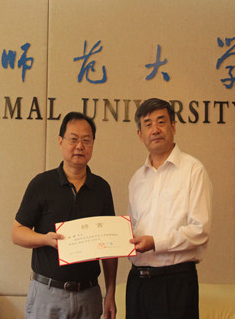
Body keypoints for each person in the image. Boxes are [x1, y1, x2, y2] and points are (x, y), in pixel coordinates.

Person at [12, 111, 118, 319]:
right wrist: (45, 239)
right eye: (73, 139)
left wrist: (110, 292)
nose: (80, 146)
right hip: (47, 293)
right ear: (61, 141)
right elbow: (17, 233)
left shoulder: (101, 188)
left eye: (86, 140)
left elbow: (110, 247)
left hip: (89, 294)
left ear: (93, 144)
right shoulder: (41, 184)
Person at [126, 98, 212, 319]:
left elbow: (200, 231)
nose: (155, 129)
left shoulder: (193, 170)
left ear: (173, 126)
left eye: (161, 122)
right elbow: (133, 229)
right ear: (140, 135)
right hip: (137, 282)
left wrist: (156, 242)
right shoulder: (136, 179)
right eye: (148, 124)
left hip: (175, 282)